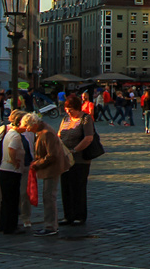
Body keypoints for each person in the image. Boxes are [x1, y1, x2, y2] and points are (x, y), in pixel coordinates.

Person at [58, 96, 96, 228]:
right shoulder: (65, 119)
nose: (69, 112)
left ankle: (79, 215)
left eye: (71, 110)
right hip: (65, 159)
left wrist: (74, 150)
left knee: (78, 187)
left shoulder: (85, 119)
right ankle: (68, 215)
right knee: (66, 187)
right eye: (67, 110)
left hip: (79, 159)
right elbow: (59, 134)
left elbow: (88, 138)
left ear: (77, 108)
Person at [27, 113, 68, 236]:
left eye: (28, 127)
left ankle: (50, 226)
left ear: (34, 124)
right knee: (48, 196)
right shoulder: (42, 131)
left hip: (51, 169)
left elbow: (52, 155)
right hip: (49, 168)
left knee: (49, 197)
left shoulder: (46, 133)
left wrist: (37, 163)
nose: (27, 129)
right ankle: (50, 224)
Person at [0, 113, 32, 235]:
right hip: (11, 171)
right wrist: (14, 161)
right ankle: (11, 226)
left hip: (4, 170)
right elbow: (12, 149)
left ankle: (3, 224)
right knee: (12, 200)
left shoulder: (10, 133)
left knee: (6, 200)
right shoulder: (16, 136)